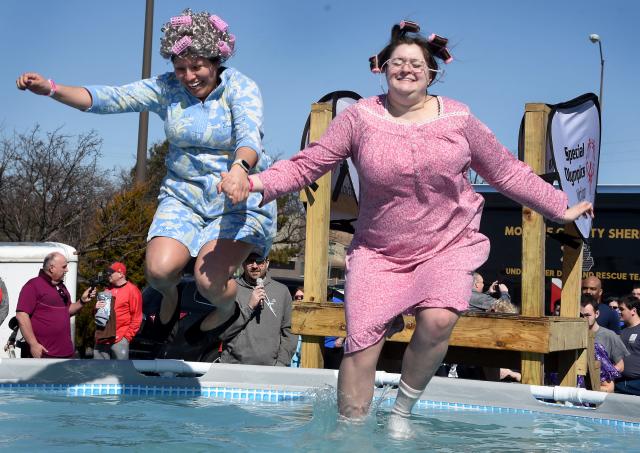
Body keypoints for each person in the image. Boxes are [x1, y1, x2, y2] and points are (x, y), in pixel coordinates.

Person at [219, 21, 593, 432]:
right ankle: (351, 430)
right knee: (361, 345)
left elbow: (506, 171)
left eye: (416, 63)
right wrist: (255, 182)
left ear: (432, 72)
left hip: (446, 243)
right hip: (379, 251)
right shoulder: (361, 117)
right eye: (398, 61)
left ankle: (401, 412)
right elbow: (310, 163)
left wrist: (560, 206)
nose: (407, 69)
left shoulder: (459, 119)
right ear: (381, 67)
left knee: (438, 319)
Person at [16, 8, 276, 334]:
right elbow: (112, 98)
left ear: (215, 60)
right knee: (158, 270)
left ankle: (227, 308)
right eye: (180, 68)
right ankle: (170, 294)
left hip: (238, 195)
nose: (188, 76)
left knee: (209, 282)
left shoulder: (240, 87)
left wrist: (239, 169)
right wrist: (52, 89)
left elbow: (250, 136)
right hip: (185, 195)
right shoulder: (168, 88)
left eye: (197, 67)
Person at [218, 251, 298, 366]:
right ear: (243, 263)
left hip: (270, 369)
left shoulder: (282, 291)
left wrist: (281, 363)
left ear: (267, 263)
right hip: (234, 366)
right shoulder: (230, 289)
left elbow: (289, 331)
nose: (255, 266)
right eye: (250, 261)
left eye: (259, 261)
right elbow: (222, 333)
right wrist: (249, 307)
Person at [15, 252, 94, 358]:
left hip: (66, 354)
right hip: (44, 353)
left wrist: (82, 301)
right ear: (52, 268)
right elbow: (22, 316)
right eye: (64, 267)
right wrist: (33, 344)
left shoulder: (62, 287)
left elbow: (67, 310)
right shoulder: (33, 285)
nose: (67, 270)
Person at [93, 262, 143, 360]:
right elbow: (99, 315)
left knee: (119, 373)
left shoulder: (132, 290)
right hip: (102, 338)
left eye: (111, 272)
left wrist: (126, 338)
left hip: (120, 339)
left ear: (121, 274)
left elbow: (137, 318)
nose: (108, 275)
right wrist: (96, 308)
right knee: (98, 373)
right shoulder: (107, 290)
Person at [579, 295, 628, 392]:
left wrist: (602, 376)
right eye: (581, 315)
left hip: (601, 389)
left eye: (587, 315)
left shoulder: (609, 335)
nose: (584, 318)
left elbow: (620, 366)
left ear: (596, 314)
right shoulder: (574, 335)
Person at [615, 296, 640, 395]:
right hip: (620, 384)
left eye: (621, 309)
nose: (618, 312)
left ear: (633, 310)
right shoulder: (622, 331)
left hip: (636, 385)